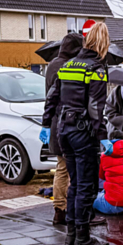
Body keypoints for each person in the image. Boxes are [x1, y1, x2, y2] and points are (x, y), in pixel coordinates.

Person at [42, 21, 111, 245]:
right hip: (84, 134)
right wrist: (102, 136)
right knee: (86, 187)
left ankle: (70, 237)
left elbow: (52, 97)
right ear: (103, 43)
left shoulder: (68, 65)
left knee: (73, 185)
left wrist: (45, 124)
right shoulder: (97, 69)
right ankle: (83, 240)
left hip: (64, 131)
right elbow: (95, 107)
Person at [41, 32, 83, 225]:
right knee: (73, 169)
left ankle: (59, 210)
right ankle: (73, 211)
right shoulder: (71, 67)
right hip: (69, 122)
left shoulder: (51, 66)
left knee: (61, 168)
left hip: (55, 122)